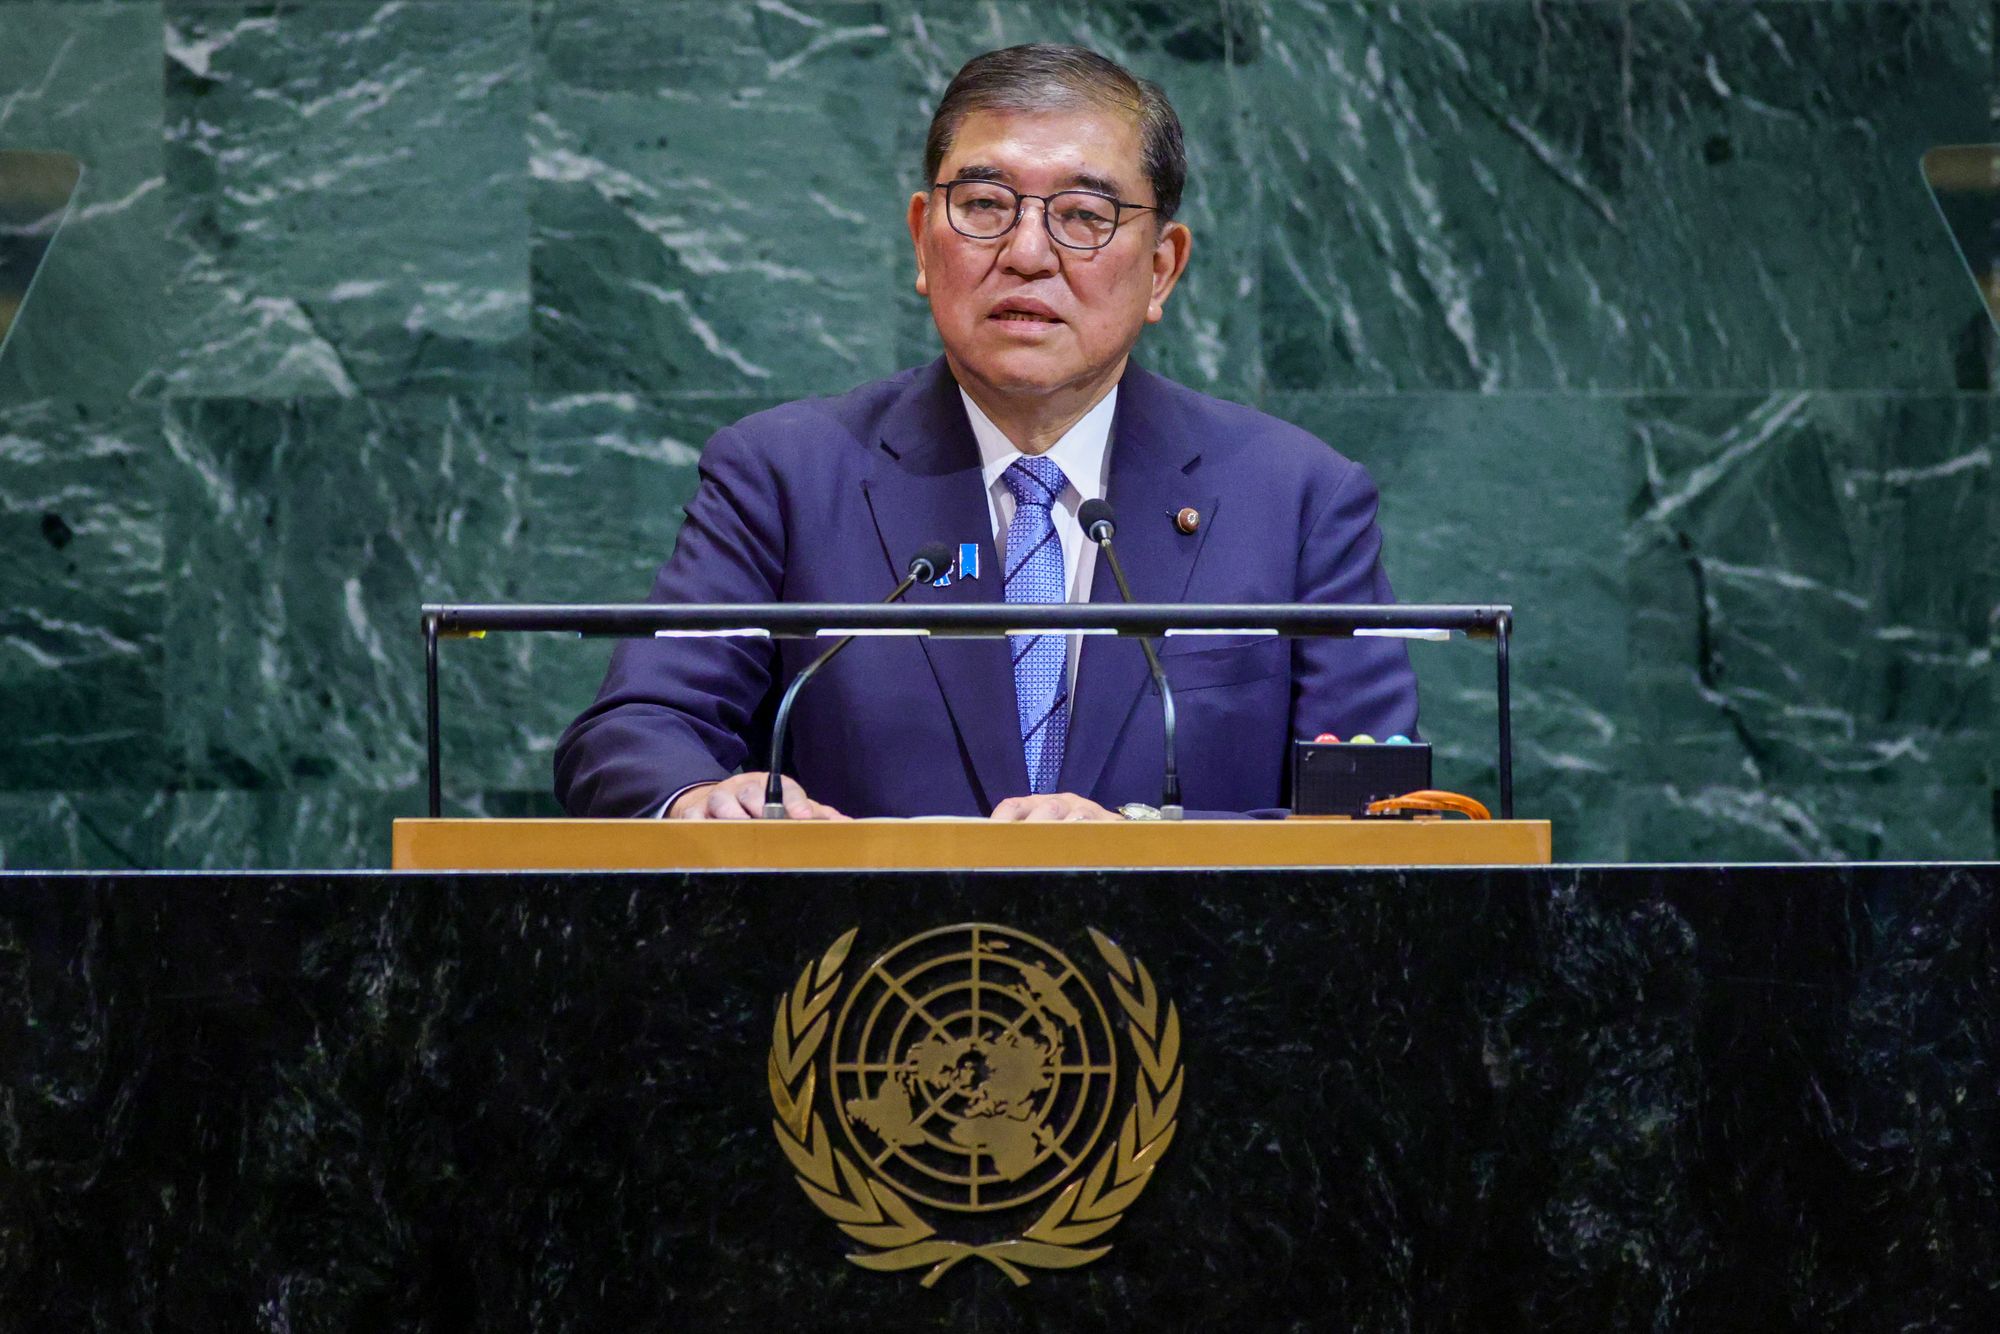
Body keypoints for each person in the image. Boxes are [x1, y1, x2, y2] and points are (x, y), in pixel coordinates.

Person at [554, 44, 1417, 822]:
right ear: (924, 243)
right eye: (984, 204)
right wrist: (702, 799)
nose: (1029, 252)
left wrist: (1141, 844)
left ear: (1162, 269)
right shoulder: (784, 476)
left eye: (1085, 214)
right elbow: (636, 730)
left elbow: (1377, 817)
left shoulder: (1298, 499)